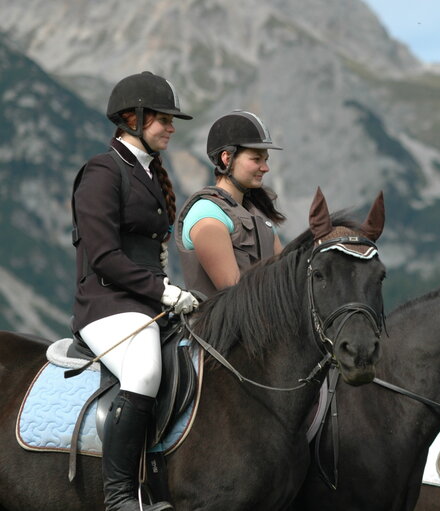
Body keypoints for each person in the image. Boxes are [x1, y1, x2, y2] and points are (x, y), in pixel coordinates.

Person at [71, 71, 199, 511]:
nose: (171, 127)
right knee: (143, 371)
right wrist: (163, 291)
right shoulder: (102, 171)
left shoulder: (147, 174)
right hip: (107, 304)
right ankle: (120, 497)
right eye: (163, 119)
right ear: (133, 118)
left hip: (146, 302)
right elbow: (103, 256)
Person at [174, 110, 285, 298]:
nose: (265, 168)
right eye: (256, 159)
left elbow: (284, 278)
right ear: (227, 158)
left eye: (265, 160)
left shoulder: (259, 216)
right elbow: (235, 294)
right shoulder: (207, 214)